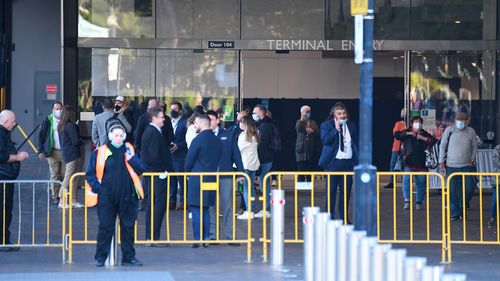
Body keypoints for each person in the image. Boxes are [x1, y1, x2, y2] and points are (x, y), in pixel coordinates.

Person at [86, 125, 146, 266]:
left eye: (121, 135)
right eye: (116, 135)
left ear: (124, 137)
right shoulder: (100, 152)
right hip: (107, 196)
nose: (119, 138)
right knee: (105, 227)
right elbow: (90, 173)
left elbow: (141, 168)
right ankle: (100, 257)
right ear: (110, 136)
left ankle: (128, 257)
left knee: (128, 227)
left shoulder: (129, 150)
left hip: (128, 195)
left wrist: (131, 159)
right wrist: (99, 189)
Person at [185, 114, 222, 248]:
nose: (194, 125)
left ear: (201, 123)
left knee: (196, 208)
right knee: (206, 208)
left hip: (197, 178)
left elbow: (188, 161)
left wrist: (187, 171)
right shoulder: (217, 140)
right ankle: (206, 237)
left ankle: (197, 238)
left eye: (195, 122)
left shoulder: (198, 140)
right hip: (211, 177)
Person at [206, 110, 243, 244]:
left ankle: (230, 235)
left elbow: (236, 154)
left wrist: (240, 172)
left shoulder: (228, 135)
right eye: (207, 119)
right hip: (209, 176)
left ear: (217, 120)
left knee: (227, 205)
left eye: (211, 119)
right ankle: (212, 235)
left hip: (226, 175)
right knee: (211, 206)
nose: (209, 122)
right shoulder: (204, 136)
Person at [318, 102, 358, 222]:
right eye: (339, 113)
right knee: (331, 192)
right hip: (333, 163)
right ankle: (329, 217)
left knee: (346, 193)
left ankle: (343, 217)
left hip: (347, 163)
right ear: (334, 115)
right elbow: (325, 140)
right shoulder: (327, 125)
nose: (342, 115)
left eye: (344, 113)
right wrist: (335, 130)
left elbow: (355, 143)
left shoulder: (351, 126)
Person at [141, 107, 173, 243]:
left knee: (153, 204)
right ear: (154, 118)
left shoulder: (152, 131)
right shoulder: (153, 132)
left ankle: (152, 235)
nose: (163, 119)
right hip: (157, 174)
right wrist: (163, 171)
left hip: (153, 173)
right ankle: (153, 236)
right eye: (161, 117)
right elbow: (154, 156)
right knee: (157, 205)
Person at [439, 112, 478, 221]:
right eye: (458, 119)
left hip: (467, 165)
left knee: (469, 189)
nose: (461, 121)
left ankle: (462, 206)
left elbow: (475, 146)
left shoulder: (471, 132)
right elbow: (442, 145)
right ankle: (455, 213)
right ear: (455, 120)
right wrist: (441, 160)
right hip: (451, 166)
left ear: (467, 120)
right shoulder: (449, 131)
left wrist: (472, 158)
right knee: (452, 190)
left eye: (463, 119)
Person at [0, 110, 28, 252]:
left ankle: (5, 239)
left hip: (6, 179)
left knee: (7, 210)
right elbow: (1, 156)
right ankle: (2, 241)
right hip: (2, 179)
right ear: (5, 122)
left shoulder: (4, 134)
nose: (14, 123)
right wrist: (17, 157)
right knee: (3, 210)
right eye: (13, 121)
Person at [395, 115, 437, 210]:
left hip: (421, 163)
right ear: (411, 124)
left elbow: (434, 141)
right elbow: (397, 135)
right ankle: (407, 201)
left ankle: (419, 202)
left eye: (419, 122)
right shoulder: (407, 133)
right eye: (416, 122)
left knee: (421, 182)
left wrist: (422, 138)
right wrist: (409, 133)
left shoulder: (424, 133)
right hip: (408, 162)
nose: (418, 124)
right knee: (406, 181)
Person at [37, 101, 65, 205]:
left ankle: (63, 195)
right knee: (54, 174)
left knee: (64, 174)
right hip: (52, 151)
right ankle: (55, 196)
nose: (58, 111)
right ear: (52, 110)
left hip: (64, 151)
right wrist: (41, 151)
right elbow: (41, 136)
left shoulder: (65, 120)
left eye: (60, 109)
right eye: (56, 109)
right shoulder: (48, 120)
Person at [58, 105, 83, 208]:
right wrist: (82, 140)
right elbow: (76, 141)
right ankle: (62, 200)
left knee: (72, 177)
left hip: (67, 154)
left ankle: (72, 201)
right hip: (73, 154)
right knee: (70, 178)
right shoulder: (71, 126)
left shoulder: (61, 126)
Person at [252, 104, 275, 218]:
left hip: (265, 159)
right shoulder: (264, 124)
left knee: (264, 183)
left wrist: (258, 159)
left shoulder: (265, 126)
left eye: (255, 112)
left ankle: (267, 209)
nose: (253, 115)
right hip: (265, 158)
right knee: (263, 183)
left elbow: (262, 144)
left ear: (261, 113)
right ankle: (267, 208)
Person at [236, 116, 260, 220]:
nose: (239, 124)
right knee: (251, 189)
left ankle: (248, 211)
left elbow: (238, 150)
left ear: (246, 124)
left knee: (245, 189)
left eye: (241, 122)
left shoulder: (243, 136)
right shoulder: (256, 134)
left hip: (245, 165)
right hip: (253, 165)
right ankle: (252, 210)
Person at [169, 101, 188, 210]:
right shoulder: (168, 122)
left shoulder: (185, 123)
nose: (173, 111)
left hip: (181, 154)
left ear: (180, 110)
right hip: (170, 155)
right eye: (171, 109)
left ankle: (183, 202)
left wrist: (179, 146)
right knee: (171, 179)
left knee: (182, 179)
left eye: (175, 109)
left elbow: (188, 139)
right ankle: (172, 201)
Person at [295, 105, 320, 183]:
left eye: (308, 111)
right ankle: (300, 185)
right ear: (301, 112)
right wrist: (302, 119)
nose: (306, 113)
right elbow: (298, 128)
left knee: (310, 167)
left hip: (311, 148)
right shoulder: (299, 121)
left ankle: (310, 184)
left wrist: (312, 131)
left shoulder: (313, 122)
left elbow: (317, 131)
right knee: (301, 167)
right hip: (301, 148)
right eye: (304, 111)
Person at [384, 109, 407, 189]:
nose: (404, 116)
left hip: (406, 149)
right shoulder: (399, 123)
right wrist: (405, 133)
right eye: (403, 115)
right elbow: (395, 134)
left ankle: (405, 181)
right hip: (397, 148)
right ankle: (392, 182)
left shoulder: (411, 125)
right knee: (393, 165)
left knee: (404, 165)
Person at [488, 144, 500, 228]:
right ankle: (493, 217)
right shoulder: (498, 148)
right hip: (498, 179)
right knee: (495, 199)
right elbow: (496, 162)